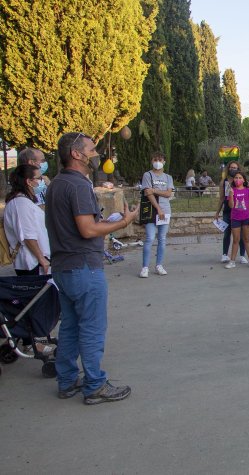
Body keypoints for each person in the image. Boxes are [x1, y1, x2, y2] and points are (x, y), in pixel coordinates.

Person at [47, 132, 138, 404]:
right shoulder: (77, 185)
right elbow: (87, 229)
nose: (96, 154)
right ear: (76, 154)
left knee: (71, 326)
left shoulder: (56, 184)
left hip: (63, 268)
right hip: (84, 267)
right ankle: (95, 385)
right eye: (92, 149)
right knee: (91, 327)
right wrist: (124, 222)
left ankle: (66, 380)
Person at [4, 164, 50, 276]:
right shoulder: (21, 204)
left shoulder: (25, 201)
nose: (43, 180)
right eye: (39, 178)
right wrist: (42, 259)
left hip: (37, 260)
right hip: (31, 263)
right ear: (29, 182)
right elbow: (28, 236)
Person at [139, 152, 174, 278]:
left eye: (160, 160)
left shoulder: (168, 177)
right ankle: (145, 267)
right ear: (152, 161)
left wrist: (154, 190)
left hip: (166, 210)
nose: (157, 162)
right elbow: (148, 194)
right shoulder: (147, 175)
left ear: (164, 162)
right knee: (149, 238)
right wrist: (158, 208)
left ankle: (159, 265)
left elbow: (168, 193)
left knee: (162, 239)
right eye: (155, 159)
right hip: (152, 211)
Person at [214, 161, 249, 264]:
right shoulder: (224, 182)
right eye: (231, 167)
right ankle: (224, 254)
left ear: (238, 169)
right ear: (228, 168)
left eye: (235, 167)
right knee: (227, 233)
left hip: (241, 211)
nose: (233, 169)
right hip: (228, 210)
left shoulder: (242, 180)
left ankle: (242, 255)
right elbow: (222, 198)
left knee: (241, 235)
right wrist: (217, 212)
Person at [224, 171, 249, 268]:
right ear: (233, 180)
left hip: (246, 219)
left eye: (240, 178)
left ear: (244, 180)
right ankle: (232, 261)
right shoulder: (232, 190)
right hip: (235, 219)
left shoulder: (248, 191)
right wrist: (231, 196)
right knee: (236, 240)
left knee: (247, 239)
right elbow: (231, 206)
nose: (238, 180)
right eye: (236, 178)